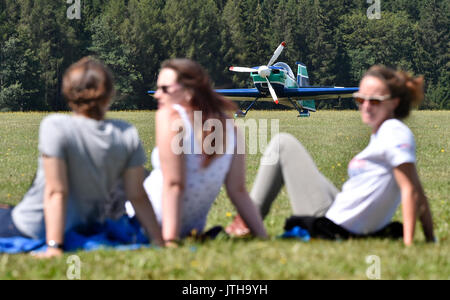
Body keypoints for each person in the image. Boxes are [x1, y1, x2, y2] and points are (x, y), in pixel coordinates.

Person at [226, 65, 435, 246]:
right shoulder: (386, 132)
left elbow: (409, 190)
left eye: (375, 101)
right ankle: (247, 222)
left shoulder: (393, 131)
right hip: (343, 215)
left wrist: (409, 245)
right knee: (291, 151)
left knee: (283, 144)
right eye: (360, 100)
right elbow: (416, 188)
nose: (366, 106)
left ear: (394, 103)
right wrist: (429, 237)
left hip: (335, 227)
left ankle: (246, 224)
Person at [0, 57, 164, 257]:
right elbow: (137, 195)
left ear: (68, 92)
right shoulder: (126, 133)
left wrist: (54, 246)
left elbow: (56, 191)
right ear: (110, 94)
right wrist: (159, 241)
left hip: (33, 228)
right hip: (82, 228)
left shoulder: (56, 126)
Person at [135, 58, 268, 245]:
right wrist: (263, 236)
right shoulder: (231, 127)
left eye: (165, 89)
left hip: (145, 224)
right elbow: (238, 191)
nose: (157, 94)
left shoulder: (169, 116)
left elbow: (175, 184)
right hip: (190, 229)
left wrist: (170, 240)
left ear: (189, 92)